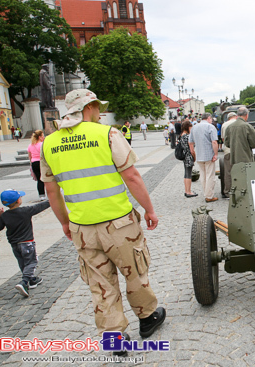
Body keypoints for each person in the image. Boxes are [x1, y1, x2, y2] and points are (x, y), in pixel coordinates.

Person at [40, 88, 166, 341]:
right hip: (119, 224)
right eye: (98, 107)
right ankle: (147, 318)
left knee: (100, 284)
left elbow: (51, 191)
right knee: (134, 272)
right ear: (88, 107)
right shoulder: (107, 134)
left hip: (82, 227)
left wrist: (65, 223)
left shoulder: (49, 142)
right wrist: (149, 209)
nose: (101, 112)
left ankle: (113, 337)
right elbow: (131, 176)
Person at [0, 190, 48, 297]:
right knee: (32, 261)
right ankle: (24, 282)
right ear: (18, 200)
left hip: (14, 245)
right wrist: (53, 200)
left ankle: (32, 280)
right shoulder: (26, 210)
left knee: (23, 263)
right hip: (27, 243)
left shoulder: (4, 216)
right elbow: (40, 206)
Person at [189, 112, 219, 202]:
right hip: (209, 155)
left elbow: (190, 142)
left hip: (199, 155)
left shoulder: (194, 127)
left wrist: (193, 152)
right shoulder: (210, 127)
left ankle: (206, 193)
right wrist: (216, 154)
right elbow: (214, 142)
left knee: (203, 175)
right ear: (209, 118)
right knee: (210, 175)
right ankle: (209, 196)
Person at [179, 120, 197, 198]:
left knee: (186, 174)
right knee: (189, 174)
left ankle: (187, 190)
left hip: (185, 156)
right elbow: (191, 149)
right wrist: (194, 157)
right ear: (188, 127)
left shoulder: (182, 135)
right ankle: (188, 192)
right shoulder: (187, 136)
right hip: (189, 156)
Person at [221, 112, 237, 198]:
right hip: (239, 151)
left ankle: (228, 191)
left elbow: (223, 138)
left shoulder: (224, 125)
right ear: (236, 116)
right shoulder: (240, 123)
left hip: (228, 150)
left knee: (228, 172)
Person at [27, 130, 46, 200]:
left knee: (39, 180)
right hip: (41, 163)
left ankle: (41, 195)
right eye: (42, 135)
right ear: (40, 137)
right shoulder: (42, 144)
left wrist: (31, 163)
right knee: (46, 178)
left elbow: (30, 156)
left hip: (34, 163)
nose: (43, 137)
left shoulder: (30, 145)